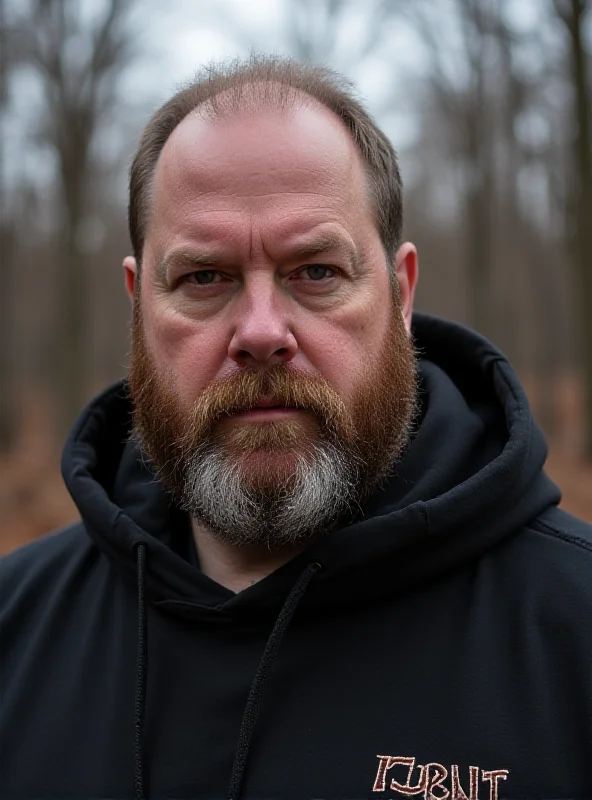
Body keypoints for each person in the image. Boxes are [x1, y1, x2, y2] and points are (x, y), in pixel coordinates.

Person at [0, 55, 591, 800]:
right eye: (203, 278)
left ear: (401, 293)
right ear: (138, 304)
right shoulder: (16, 631)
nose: (260, 331)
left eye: (315, 271)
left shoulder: (573, 637)